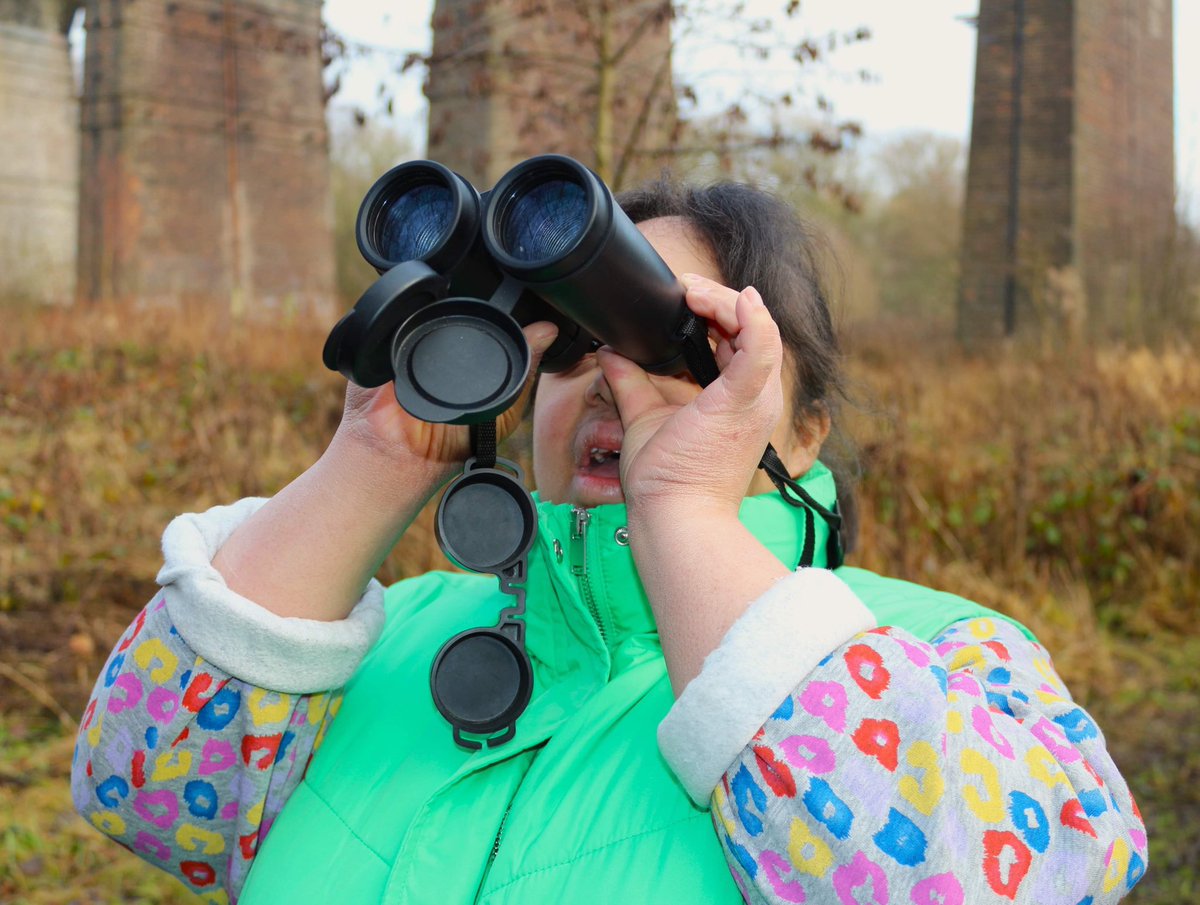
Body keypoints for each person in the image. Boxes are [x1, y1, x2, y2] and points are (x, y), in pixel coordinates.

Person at [73, 178, 1147, 905]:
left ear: (804, 427)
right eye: (564, 342)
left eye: (666, 342)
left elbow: (971, 874)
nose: (604, 379)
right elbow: (145, 792)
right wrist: (377, 454)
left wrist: (682, 507)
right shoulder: (388, 635)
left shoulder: (948, 658)